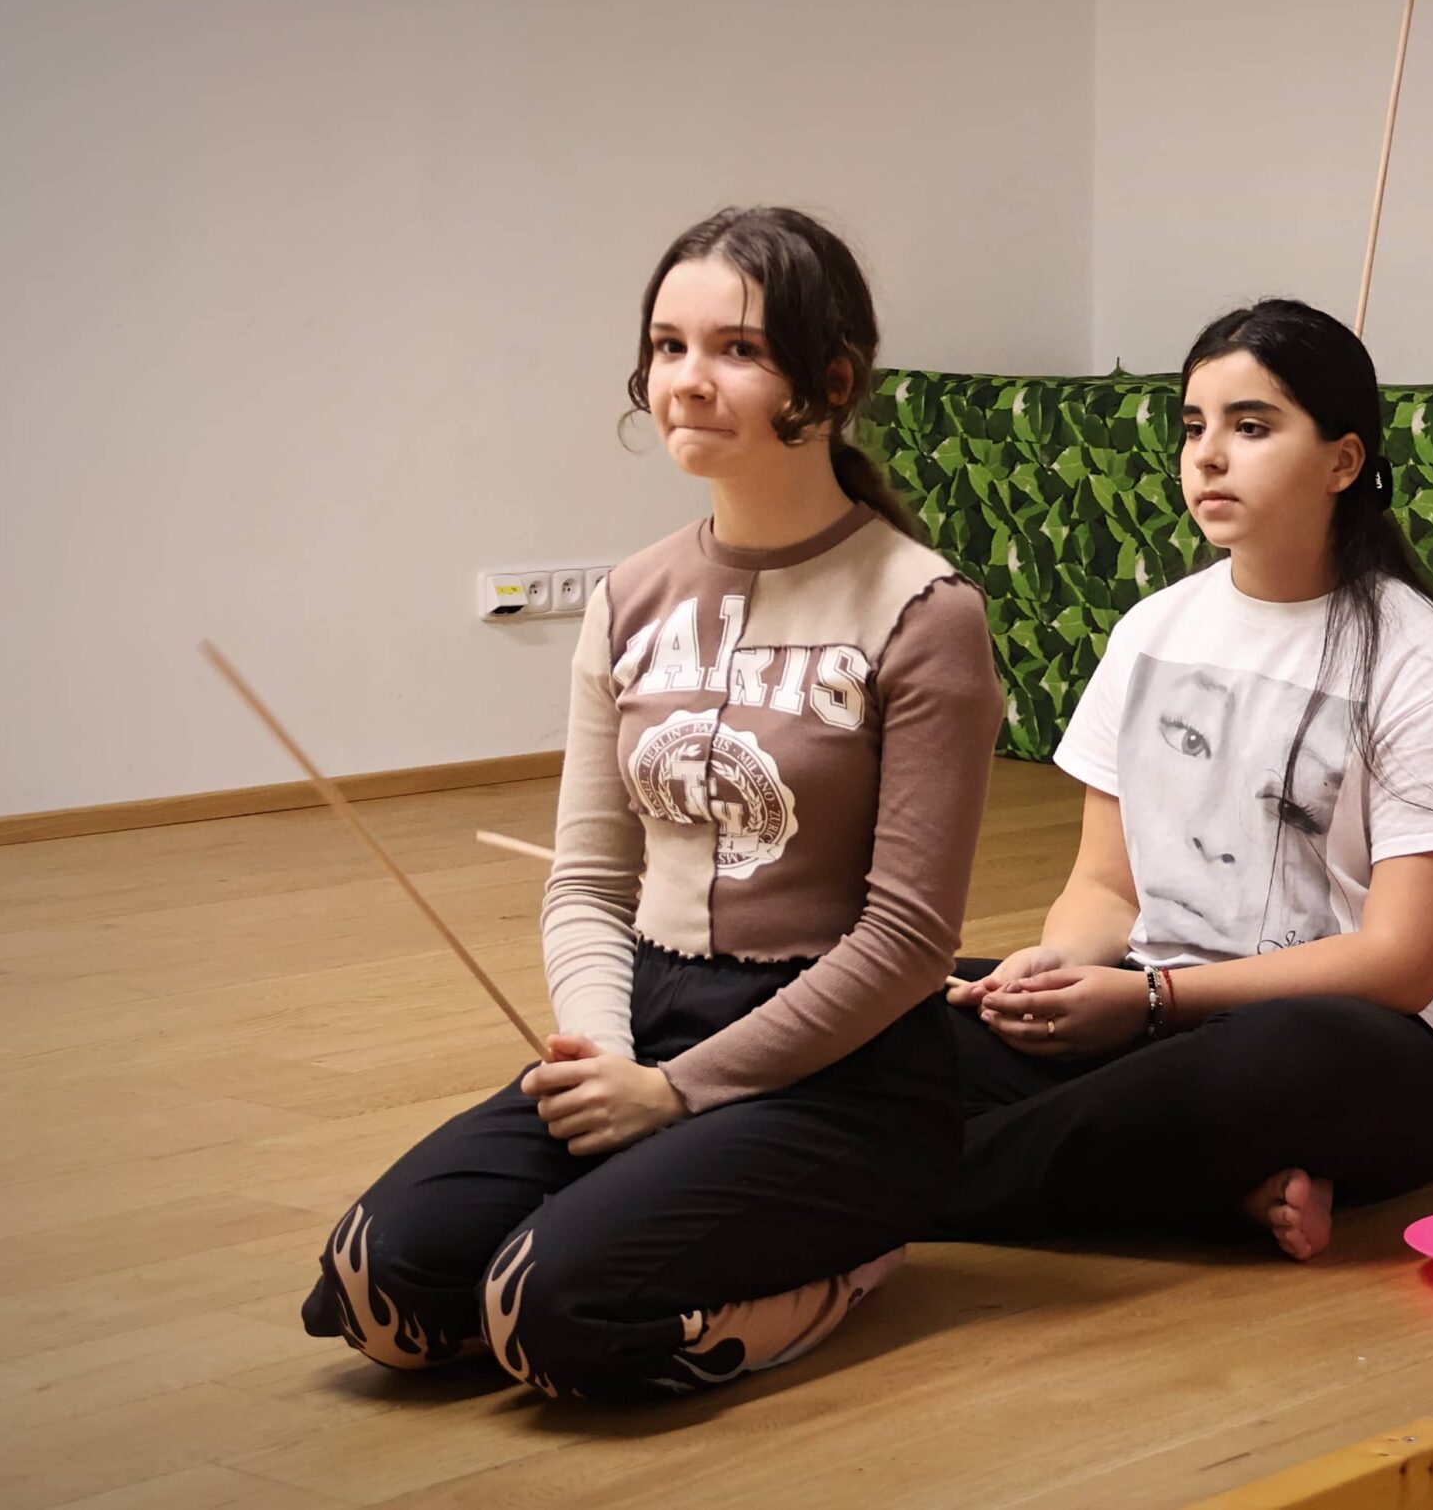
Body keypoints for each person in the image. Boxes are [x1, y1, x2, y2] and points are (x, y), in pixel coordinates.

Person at [300, 207, 1003, 1396]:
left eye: (737, 348)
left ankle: (851, 1253)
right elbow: (586, 881)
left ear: (831, 380)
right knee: (384, 1289)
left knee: (545, 1314)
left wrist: (677, 1095)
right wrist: (610, 1066)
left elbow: (907, 938)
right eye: (668, 346)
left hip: (842, 1072)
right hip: (649, 1020)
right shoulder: (630, 594)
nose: (686, 379)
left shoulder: (925, 611)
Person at [935, 299, 1433, 1261]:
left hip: (1367, 1050)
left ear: (1343, 461)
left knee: (1274, 1054)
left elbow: (1403, 963)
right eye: (1193, 426)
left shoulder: (1420, 658)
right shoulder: (1152, 630)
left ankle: (888, 1188)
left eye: (1250, 427)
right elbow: (1107, 886)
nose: (1206, 456)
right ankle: (1209, 1186)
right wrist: (1060, 968)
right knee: (909, 1005)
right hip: (1158, 1015)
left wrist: (1153, 1000)